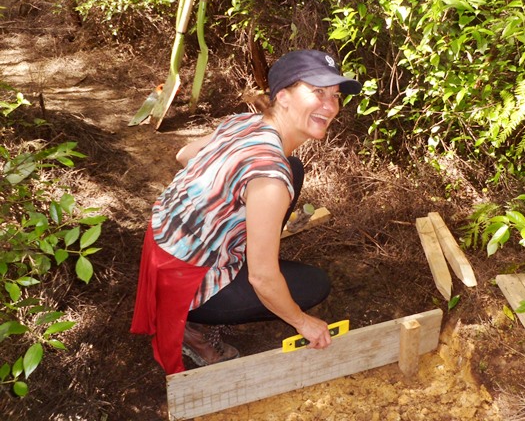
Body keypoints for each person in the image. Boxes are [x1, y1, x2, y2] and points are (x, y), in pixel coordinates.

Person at [130, 49, 362, 374]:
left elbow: (185, 155)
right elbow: (262, 278)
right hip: (184, 282)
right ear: (283, 97)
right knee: (314, 285)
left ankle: (248, 248)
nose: (331, 106)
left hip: (162, 246)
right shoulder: (269, 179)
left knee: (293, 168)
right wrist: (302, 322)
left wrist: (217, 204)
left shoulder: (246, 122)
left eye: (335, 95)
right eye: (318, 92)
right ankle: (193, 327)